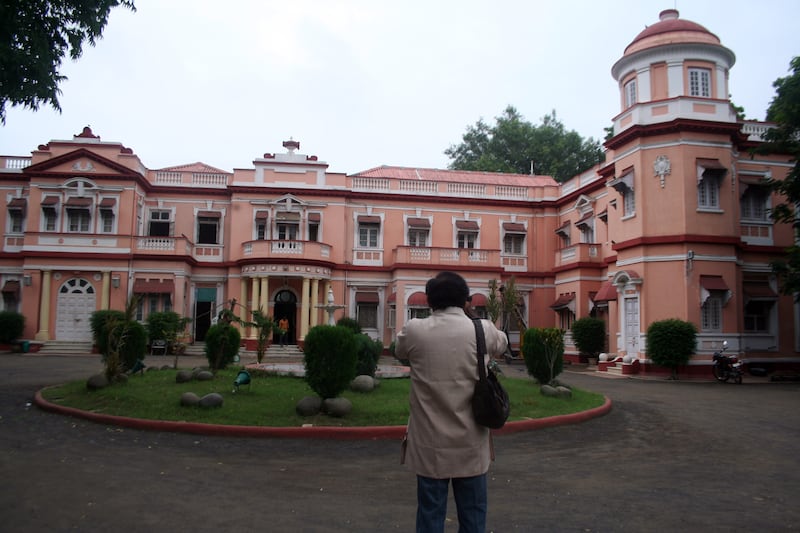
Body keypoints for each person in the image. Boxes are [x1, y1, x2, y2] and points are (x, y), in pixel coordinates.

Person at [396, 271, 508, 533]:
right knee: (472, 518)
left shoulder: (415, 330)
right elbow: (501, 344)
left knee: (430, 516)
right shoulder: (482, 329)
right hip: (470, 444)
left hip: (429, 445)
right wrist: (471, 318)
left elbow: (400, 350)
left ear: (429, 301)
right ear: (465, 300)